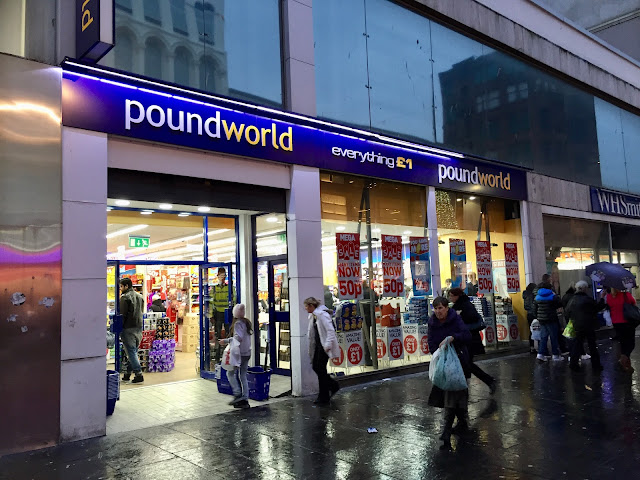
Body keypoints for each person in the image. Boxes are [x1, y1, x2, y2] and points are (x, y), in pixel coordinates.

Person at [427, 296, 472, 450]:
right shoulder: (432, 323)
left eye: (441, 308)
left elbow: (466, 335)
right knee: (454, 394)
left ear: (447, 308)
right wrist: (438, 352)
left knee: (452, 394)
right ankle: (462, 421)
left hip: (459, 361)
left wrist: (453, 338)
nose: (438, 311)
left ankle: (447, 430)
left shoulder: (455, 319)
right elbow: (431, 342)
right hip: (443, 363)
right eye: (436, 308)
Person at [449, 288, 496, 394]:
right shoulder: (459, 305)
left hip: (469, 339)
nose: (450, 298)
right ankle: (465, 386)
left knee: (467, 363)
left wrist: (460, 318)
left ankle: (488, 381)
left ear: (457, 296)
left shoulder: (465, 306)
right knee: (466, 363)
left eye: (452, 295)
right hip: (465, 338)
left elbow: (471, 318)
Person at [305, 297, 340, 405]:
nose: (305, 308)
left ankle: (325, 395)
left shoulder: (322, 315)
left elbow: (330, 330)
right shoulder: (314, 316)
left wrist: (328, 344)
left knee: (319, 368)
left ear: (311, 306)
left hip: (324, 346)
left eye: (306, 306)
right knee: (317, 368)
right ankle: (330, 387)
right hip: (318, 346)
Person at [564, 281, 604, 373]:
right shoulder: (588, 299)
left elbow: (567, 313)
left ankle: (573, 364)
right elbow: (597, 308)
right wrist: (602, 298)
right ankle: (596, 365)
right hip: (589, 325)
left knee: (577, 345)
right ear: (584, 288)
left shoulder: (572, 300)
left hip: (577, 326)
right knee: (592, 345)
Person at [219, 304, 253, 409]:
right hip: (247, 352)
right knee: (243, 376)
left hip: (240, 354)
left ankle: (237, 394)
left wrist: (226, 341)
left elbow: (238, 338)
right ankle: (245, 398)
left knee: (230, 373)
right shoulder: (247, 322)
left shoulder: (238, 323)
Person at [606, 287, 637, 373]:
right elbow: (634, 304)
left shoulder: (608, 297)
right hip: (627, 322)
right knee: (631, 344)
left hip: (616, 323)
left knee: (623, 343)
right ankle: (623, 360)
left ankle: (627, 364)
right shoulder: (626, 295)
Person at [119, 278, 145, 383]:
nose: (120, 289)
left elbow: (122, 315)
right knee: (132, 352)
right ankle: (127, 374)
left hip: (128, 328)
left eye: (121, 286)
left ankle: (139, 374)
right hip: (139, 327)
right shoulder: (140, 296)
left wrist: (119, 327)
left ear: (126, 286)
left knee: (131, 352)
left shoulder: (125, 298)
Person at [210, 267, 235, 363]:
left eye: (223, 275)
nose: (222, 277)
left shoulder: (230, 288)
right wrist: (211, 316)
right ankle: (217, 357)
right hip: (218, 315)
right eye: (220, 275)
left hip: (228, 314)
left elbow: (234, 300)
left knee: (229, 334)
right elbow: (211, 303)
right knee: (218, 335)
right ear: (218, 276)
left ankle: (228, 354)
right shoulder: (214, 289)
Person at [534, 285, 564, 362]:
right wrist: (555, 295)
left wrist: (537, 317)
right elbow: (560, 304)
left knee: (543, 337)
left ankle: (540, 354)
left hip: (542, 319)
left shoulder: (537, 296)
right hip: (551, 319)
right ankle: (555, 355)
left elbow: (535, 308)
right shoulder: (553, 296)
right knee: (554, 336)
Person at [362, 280, 379, 366]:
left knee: (366, 338)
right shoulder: (371, 291)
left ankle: (367, 358)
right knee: (373, 337)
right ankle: (373, 357)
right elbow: (376, 301)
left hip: (363, 317)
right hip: (371, 316)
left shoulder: (360, 293)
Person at [523, 283, 537, 353]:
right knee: (538, 330)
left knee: (531, 331)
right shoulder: (533, 295)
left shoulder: (525, 295)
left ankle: (532, 347)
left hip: (529, 314)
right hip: (534, 314)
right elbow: (533, 306)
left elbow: (526, 307)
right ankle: (540, 348)